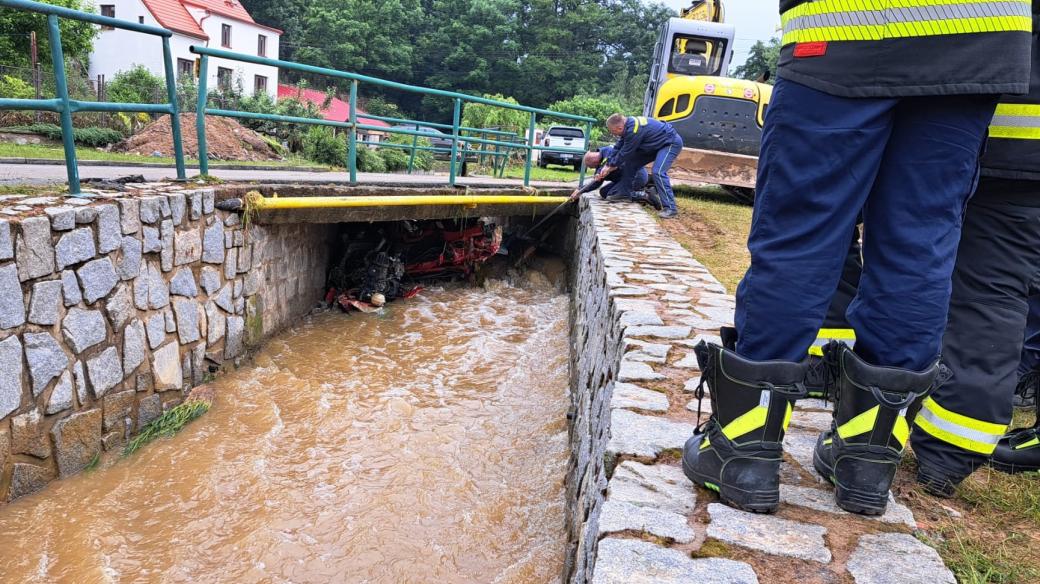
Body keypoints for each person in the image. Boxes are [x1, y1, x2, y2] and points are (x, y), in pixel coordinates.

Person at [681, 0, 1032, 515]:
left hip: (848, 29)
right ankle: (867, 463)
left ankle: (743, 450)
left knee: (800, 230)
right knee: (920, 242)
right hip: (980, 41)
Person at [918, 19, 1040, 487]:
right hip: (1022, 158)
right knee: (999, 294)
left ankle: (938, 447)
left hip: (996, 140)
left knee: (960, 281)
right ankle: (952, 452)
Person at [599, 113, 684, 219]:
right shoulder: (627, 127)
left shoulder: (633, 130)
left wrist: (611, 166)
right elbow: (618, 147)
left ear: (619, 127)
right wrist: (608, 164)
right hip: (655, 144)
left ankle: (671, 208)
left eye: (614, 132)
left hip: (670, 143)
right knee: (630, 163)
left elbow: (625, 152)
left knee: (658, 171)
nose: (615, 135)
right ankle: (624, 193)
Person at [569, 146, 661, 210]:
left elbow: (609, 162)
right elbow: (597, 182)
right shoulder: (601, 158)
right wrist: (580, 190)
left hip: (636, 177)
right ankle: (639, 191)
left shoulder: (609, 151)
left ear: (594, 161)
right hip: (624, 180)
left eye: (591, 167)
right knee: (604, 192)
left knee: (613, 196)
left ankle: (645, 195)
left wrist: (598, 173)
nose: (592, 169)